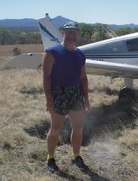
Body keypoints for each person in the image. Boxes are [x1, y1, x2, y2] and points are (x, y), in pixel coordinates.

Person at [42, 21, 91, 173]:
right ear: (63, 33)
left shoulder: (80, 54)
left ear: (78, 35)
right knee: (55, 128)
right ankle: (50, 158)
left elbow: (83, 77)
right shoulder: (52, 52)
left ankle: (76, 156)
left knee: (78, 128)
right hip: (59, 94)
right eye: (68, 32)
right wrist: (49, 99)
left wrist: (86, 99)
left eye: (74, 32)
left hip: (76, 94)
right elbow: (46, 77)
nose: (71, 35)